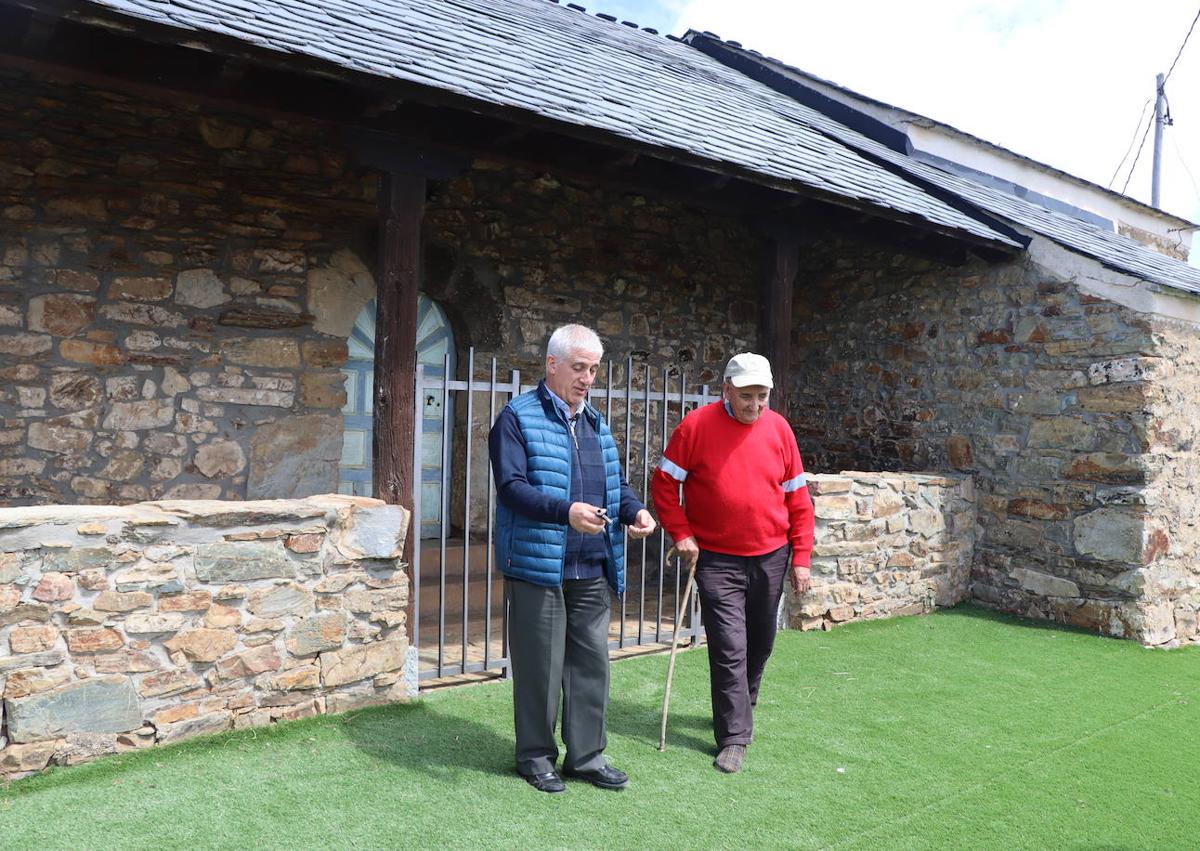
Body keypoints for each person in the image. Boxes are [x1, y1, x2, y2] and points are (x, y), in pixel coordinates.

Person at [489, 323, 657, 794]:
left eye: (594, 369)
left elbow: (613, 486)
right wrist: (566, 513)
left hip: (592, 564)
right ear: (552, 365)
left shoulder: (597, 424)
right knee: (540, 669)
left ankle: (586, 757)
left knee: (590, 666)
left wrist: (635, 509)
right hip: (539, 567)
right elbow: (512, 489)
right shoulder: (516, 417)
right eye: (579, 368)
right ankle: (535, 757)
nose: (587, 378)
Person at [650, 352, 815, 774]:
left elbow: (798, 498)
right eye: (746, 396)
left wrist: (801, 559)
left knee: (761, 642)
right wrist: (682, 533)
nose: (755, 406)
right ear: (726, 389)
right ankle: (735, 736)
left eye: (762, 396)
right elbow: (665, 484)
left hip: (771, 556)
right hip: (716, 559)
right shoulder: (695, 426)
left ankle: (742, 702)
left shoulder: (779, 429)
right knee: (728, 646)